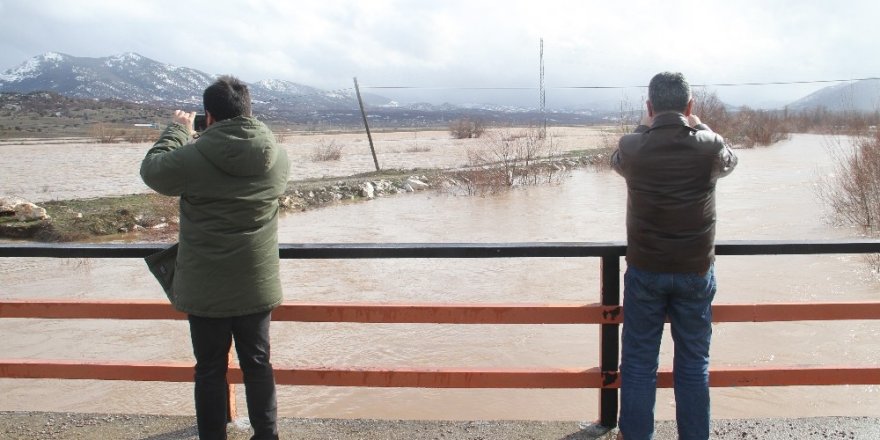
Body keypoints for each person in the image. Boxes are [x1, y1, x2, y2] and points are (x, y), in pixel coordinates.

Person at [141, 75, 290, 440]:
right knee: (258, 364)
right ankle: (266, 435)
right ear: (248, 110)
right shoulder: (278, 156)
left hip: (206, 287)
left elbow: (153, 171)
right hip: (256, 282)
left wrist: (177, 130)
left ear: (208, 116)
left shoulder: (192, 157)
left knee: (209, 368)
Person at [610, 72, 738, 440]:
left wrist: (643, 125)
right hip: (695, 270)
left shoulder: (633, 147)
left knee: (637, 363)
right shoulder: (709, 146)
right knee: (694, 363)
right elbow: (730, 162)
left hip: (645, 269)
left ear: (649, 107)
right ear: (690, 106)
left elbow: (618, 160)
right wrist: (703, 126)